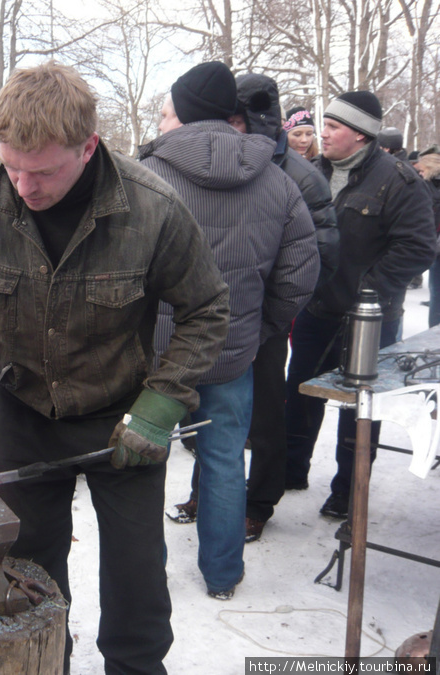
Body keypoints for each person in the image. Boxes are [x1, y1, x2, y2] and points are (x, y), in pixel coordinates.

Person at [0, 61, 231, 673]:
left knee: (136, 572)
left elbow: (209, 308)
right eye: (11, 166)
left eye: (42, 172)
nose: (24, 187)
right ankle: (44, 662)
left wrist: (163, 403)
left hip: (125, 417)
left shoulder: (152, 208)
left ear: (88, 147)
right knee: (29, 569)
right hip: (23, 412)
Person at [139, 62, 319, 599]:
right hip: (232, 351)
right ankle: (222, 575)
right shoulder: (279, 182)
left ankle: (141, 575)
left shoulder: (145, 177)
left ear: (185, 111)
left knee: (144, 458)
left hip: (156, 354)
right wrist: (258, 326)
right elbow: (299, 274)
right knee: (222, 461)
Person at [284, 91, 437, 519]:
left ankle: (348, 490)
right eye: (323, 126)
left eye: (332, 127)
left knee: (359, 410)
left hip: (370, 320)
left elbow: (419, 247)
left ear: (359, 134)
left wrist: (368, 290)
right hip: (315, 311)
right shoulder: (313, 172)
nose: (322, 134)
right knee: (299, 394)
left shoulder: (399, 181)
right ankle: (290, 469)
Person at [230, 73, 339, 542]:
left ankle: (259, 501)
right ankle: (215, 491)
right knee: (214, 408)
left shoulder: (300, 175)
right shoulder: (229, 162)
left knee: (267, 410)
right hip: (224, 309)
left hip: (269, 316)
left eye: (235, 120)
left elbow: (322, 254)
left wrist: (274, 313)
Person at [413, 149, 440, 327]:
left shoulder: (428, 188)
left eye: (422, 171)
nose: (420, 175)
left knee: (437, 295)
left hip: (436, 247)